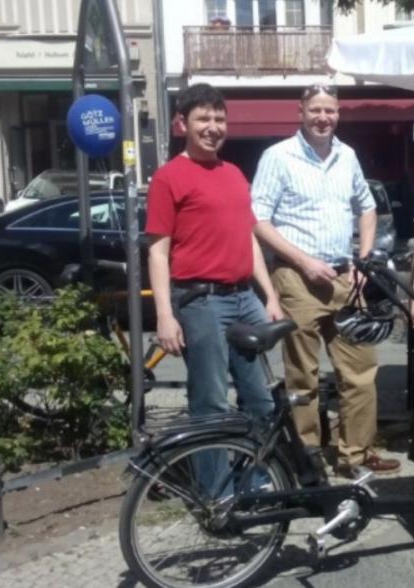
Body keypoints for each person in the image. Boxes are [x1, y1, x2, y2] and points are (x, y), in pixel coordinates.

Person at [251, 83, 400, 479]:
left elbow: (366, 209)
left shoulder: (346, 155)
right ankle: (308, 455)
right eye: (316, 110)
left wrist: (364, 260)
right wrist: (302, 261)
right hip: (297, 278)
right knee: (303, 375)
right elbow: (258, 220)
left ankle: (355, 453)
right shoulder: (277, 157)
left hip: (344, 278)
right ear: (301, 111)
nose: (323, 118)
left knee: (361, 368)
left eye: (330, 111)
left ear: (338, 114)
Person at [147, 83, 283, 495]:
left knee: (260, 400)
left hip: (244, 298)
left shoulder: (234, 174)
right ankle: (216, 492)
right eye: (203, 119)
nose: (213, 127)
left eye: (219, 119)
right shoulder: (168, 177)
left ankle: (258, 479)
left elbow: (248, 239)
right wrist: (165, 315)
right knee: (210, 403)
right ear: (182, 123)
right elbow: (157, 252)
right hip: (199, 301)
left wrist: (270, 295)